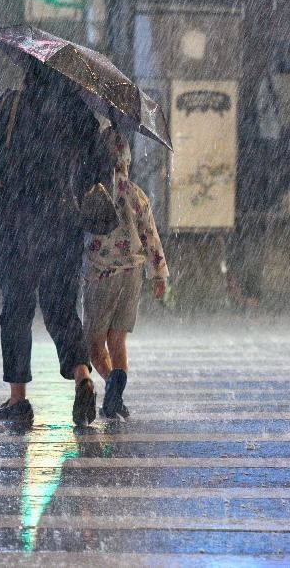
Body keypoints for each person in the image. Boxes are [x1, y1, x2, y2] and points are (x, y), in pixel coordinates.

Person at [0, 64, 102, 426]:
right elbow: (95, 172)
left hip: (16, 222)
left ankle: (18, 400)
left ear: (28, 74)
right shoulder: (81, 116)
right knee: (61, 307)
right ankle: (83, 374)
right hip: (63, 222)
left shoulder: (13, 108)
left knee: (17, 309)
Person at [82, 127, 168, 419]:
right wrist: (159, 276)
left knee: (95, 344)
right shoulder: (134, 193)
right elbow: (150, 235)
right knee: (117, 341)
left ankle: (111, 384)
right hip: (133, 273)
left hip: (101, 275)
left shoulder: (91, 191)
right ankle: (116, 395)